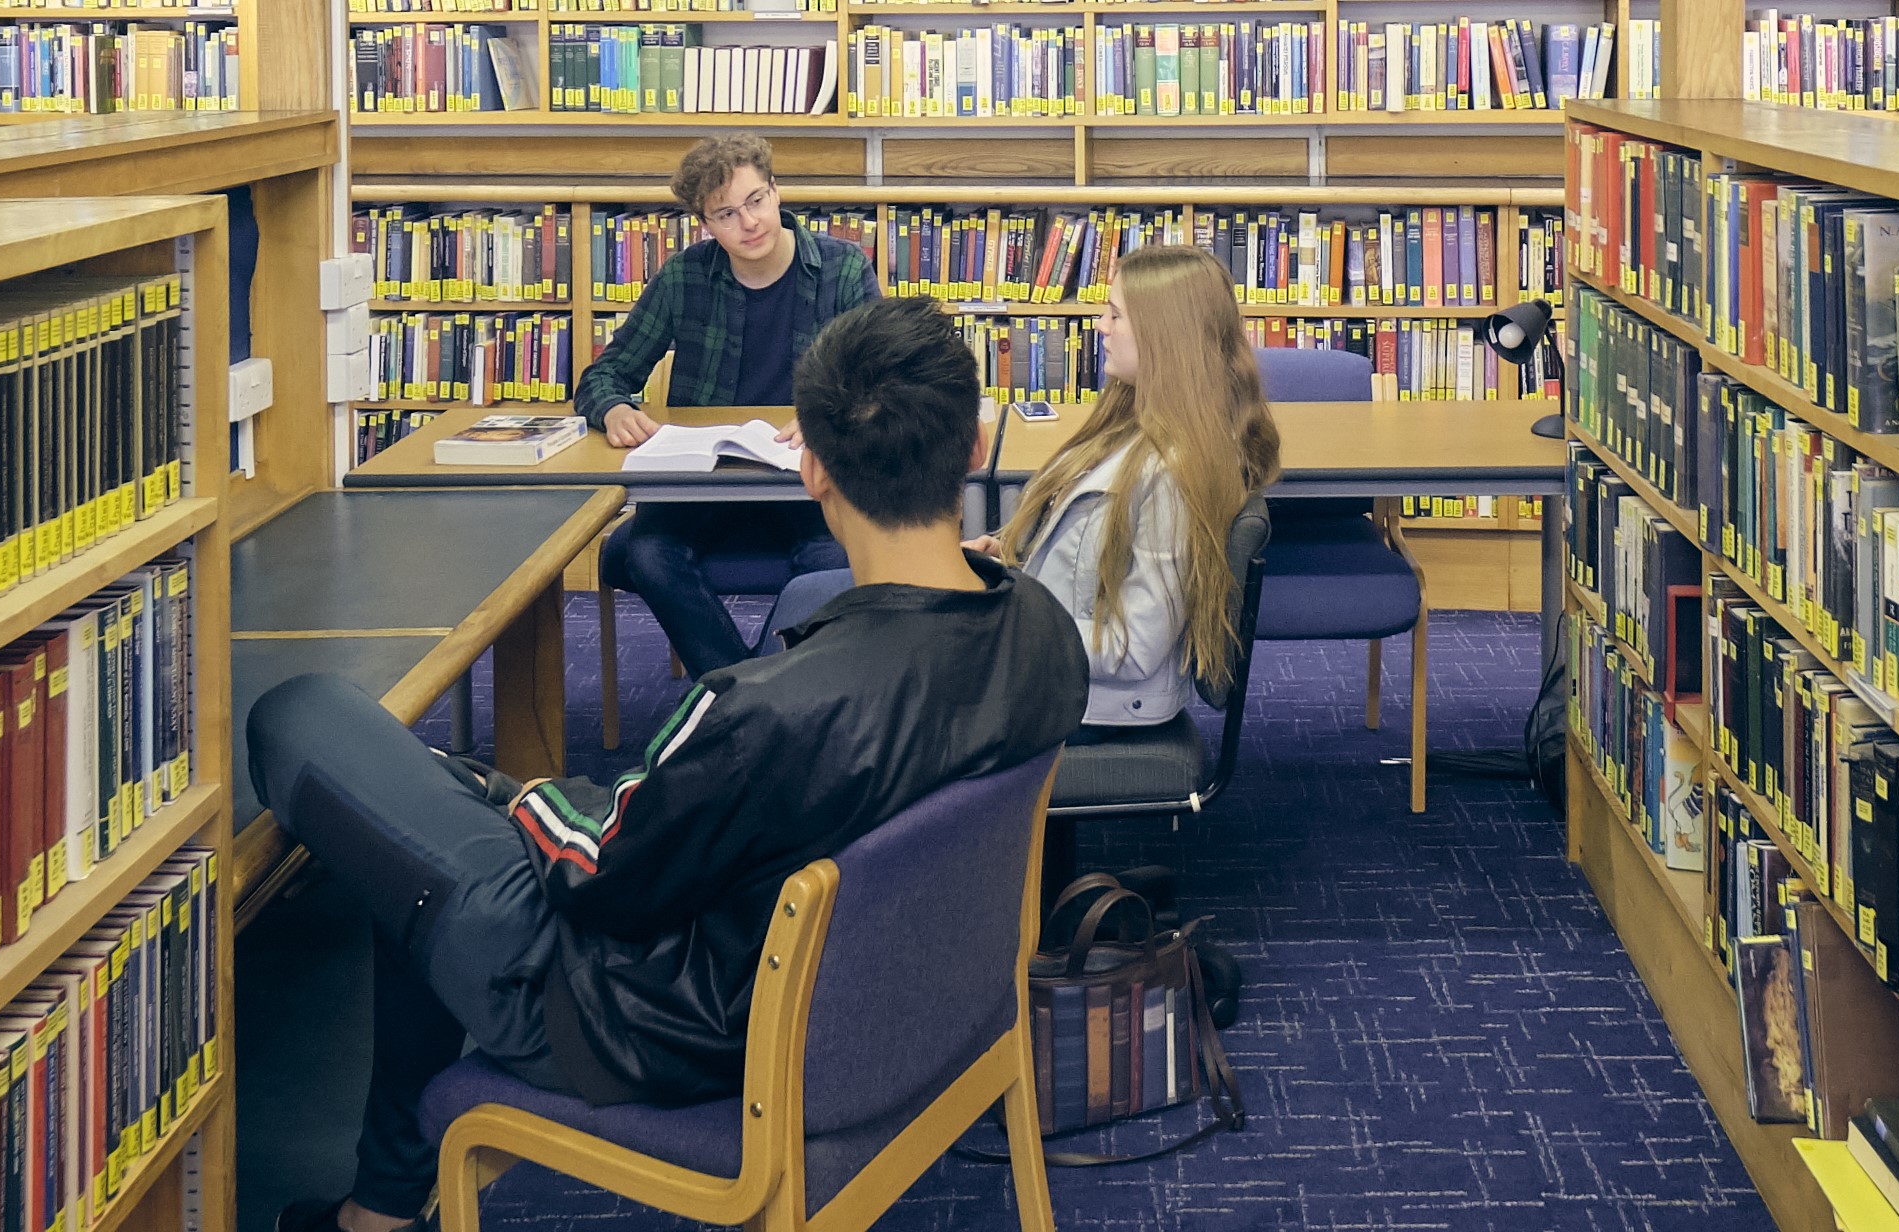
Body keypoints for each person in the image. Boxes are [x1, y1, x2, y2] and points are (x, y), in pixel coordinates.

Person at [244, 297, 1086, 1232]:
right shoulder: (1043, 629)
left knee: (301, 716)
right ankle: (380, 1210)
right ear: (974, 445)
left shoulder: (766, 713)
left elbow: (596, 878)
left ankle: (381, 1207)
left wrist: (526, 796)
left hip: (624, 1015)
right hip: (893, 1012)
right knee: (428, 812)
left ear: (810, 467)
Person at [783, 245, 1281, 728]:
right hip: (1047, 654)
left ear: (1164, 336)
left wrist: (1005, 624)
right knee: (826, 607)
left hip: (1082, 699)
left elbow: (1138, 648)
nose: (1100, 326)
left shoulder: (1173, 474)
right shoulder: (1129, 425)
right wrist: (1007, 556)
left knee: (846, 635)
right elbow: (1090, 555)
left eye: (1115, 315)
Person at [576, 132, 889, 678]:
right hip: (701, 489)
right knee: (644, 553)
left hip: (807, 487)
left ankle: (740, 694)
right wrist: (613, 408)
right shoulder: (684, 277)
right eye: (725, 214)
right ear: (704, 223)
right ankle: (739, 690)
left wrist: (831, 415)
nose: (748, 223)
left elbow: (883, 377)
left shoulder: (842, 270)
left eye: (756, 201)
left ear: (776, 191)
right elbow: (604, 375)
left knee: (834, 564)